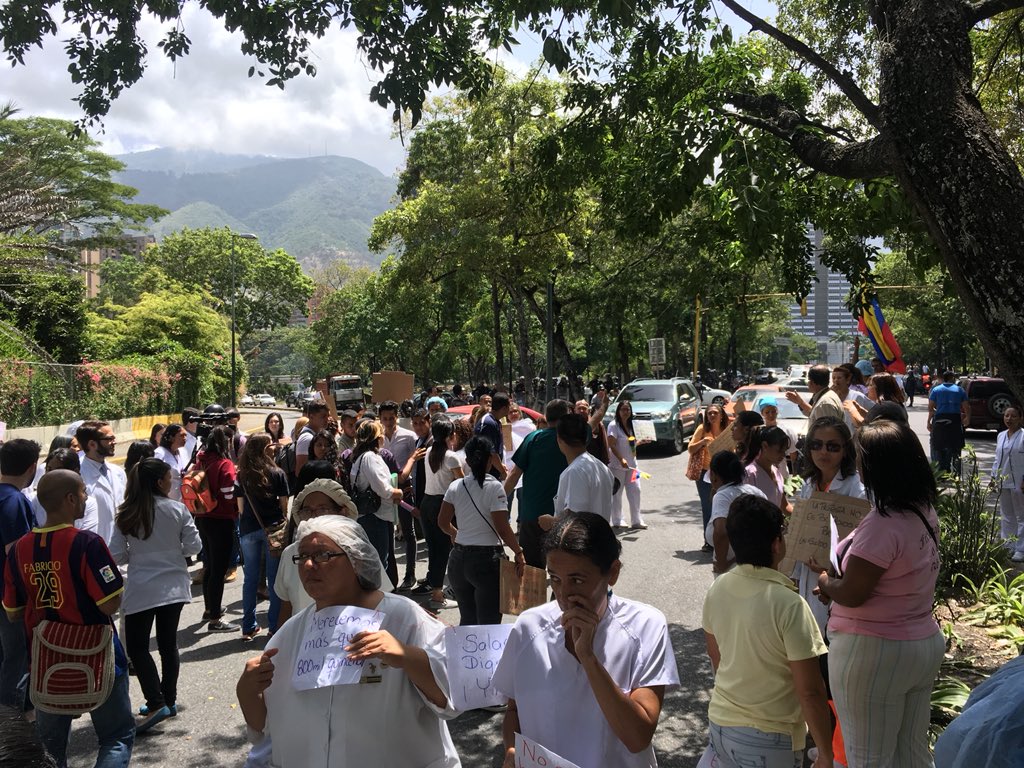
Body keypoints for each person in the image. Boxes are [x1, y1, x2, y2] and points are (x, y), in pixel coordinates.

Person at [236, 515, 461, 768]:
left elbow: (451, 697)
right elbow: (266, 727)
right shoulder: (288, 636)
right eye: (302, 556)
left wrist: (406, 656)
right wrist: (246, 691)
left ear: (356, 559)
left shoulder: (405, 618)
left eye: (323, 555)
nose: (309, 564)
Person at [492, 512, 680, 768]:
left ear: (612, 573)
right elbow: (514, 710)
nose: (564, 594)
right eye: (555, 579)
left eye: (577, 580)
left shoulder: (645, 626)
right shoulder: (529, 627)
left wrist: (589, 658)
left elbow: (638, 738)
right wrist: (512, 750)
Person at [810, 419, 944, 768]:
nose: (857, 466)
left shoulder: (884, 523)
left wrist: (826, 583)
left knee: (868, 757)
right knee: (911, 752)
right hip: (920, 642)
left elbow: (853, 592)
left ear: (877, 468)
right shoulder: (923, 511)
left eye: (861, 460)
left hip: (874, 653)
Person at [3, 470, 134, 768]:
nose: (86, 499)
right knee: (116, 736)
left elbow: (12, 610)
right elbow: (109, 603)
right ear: (70, 499)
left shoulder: (20, 550)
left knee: (49, 750)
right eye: (83, 493)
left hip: (45, 662)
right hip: (99, 656)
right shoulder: (88, 543)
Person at [702, 495, 833, 768]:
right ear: (777, 544)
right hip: (770, 737)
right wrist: (825, 753)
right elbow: (811, 691)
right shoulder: (789, 604)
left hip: (721, 724)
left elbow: (717, 659)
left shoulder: (717, 588)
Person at [110, 458, 202, 732]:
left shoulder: (126, 513)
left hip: (141, 587)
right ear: (160, 482)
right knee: (167, 643)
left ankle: (155, 699)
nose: (172, 482)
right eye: (168, 478)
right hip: (174, 585)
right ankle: (168, 700)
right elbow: (193, 546)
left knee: (138, 647)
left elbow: (118, 554)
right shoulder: (177, 509)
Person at [439, 436, 525, 625]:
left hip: (459, 559)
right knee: (489, 623)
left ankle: (465, 655)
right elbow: (502, 528)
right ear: (490, 460)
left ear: (467, 461)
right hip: (487, 561)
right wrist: (518, 552)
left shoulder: (455, 486)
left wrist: (455, 534)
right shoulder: (495, 487)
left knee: (467, 619)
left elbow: (443, 522)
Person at [792, 417, 866, 636]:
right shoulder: (808, 485)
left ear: (845, 450)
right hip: (807, 579)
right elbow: (799, 536)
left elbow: (861, 548)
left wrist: (830, 573)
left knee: (829, 645)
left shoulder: (856, 489)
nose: (823, 452)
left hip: (836, 583)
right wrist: (794, 577)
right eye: (816, 445)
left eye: (832, 446)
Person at [274, 479, 361, 627]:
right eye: (307, 510)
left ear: (342, 512)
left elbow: (377, 601)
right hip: (303, 643)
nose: (314, 516)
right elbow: (286, 606)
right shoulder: (290, 554)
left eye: (322, 509)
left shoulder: (357, 550)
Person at [504, 399, 571, 567]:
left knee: (532, 571)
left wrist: (496, 500)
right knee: (564, 570)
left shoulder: (533, 438)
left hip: (532, 515)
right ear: (566, 417)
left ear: (546, 417)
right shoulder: (571, 440)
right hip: (563, 516)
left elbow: (514, 475)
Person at [237, 434, 290, 641]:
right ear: (264, 449)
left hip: (249, 529)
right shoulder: (277, 473)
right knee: (274, 579)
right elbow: (284, 504)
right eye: (270, 445)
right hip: (274, 530)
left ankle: (248, 625)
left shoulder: (242, 475)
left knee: (250, 579)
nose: (274, 448)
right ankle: (274, 626)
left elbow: (240, 508)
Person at [0, 439, 39, 709]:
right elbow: (17, 555)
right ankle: (10, 724)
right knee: (16, 658)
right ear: (32, 467)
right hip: (9, 598)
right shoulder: (14, 501)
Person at [195, 425, 241, 632]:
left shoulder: (202, 460)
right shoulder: (225, 464)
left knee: (210, 566)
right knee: (219, 570)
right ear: (226, 442)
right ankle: (215, 620)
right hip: (222, 519)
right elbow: (229, 493)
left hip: (203, 517)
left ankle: (209, 608)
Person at [416, 417, 463, 606]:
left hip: (427, 503)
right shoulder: (451, 457)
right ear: (451, 435)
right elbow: (462, 483)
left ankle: (435, 589)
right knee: (444, 549)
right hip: (443, 504)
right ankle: (438, 593)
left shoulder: (429, 452)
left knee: (434, 548)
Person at [349, 420, 403, 570]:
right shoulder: (370, 458)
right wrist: (397, 492)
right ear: (377, 438)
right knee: (379, 563)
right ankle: (379, 593)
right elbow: (383, 489)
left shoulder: (360, 456)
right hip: (375, 517)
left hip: (371, 516)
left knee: (374, 561)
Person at [707, 450, 766, 576]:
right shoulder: (756, 491)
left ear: (713, 474)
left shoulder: (722, 496)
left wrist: (723, 562)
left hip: (733, 569)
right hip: (759, 563)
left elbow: (721, 532)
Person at [549, 413, 614, 524]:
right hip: (601, 536)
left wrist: (552, 523)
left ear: (559, 439)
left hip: (584, 540)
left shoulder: (575, 471)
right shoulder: (602, 467)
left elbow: (576, 520)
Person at [76, 420, 127, 543]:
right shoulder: (78, 475)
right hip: (92, 546)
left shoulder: (117, 472)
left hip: (119, 545)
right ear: (92, 444)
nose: (114, 442)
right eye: (109, 439)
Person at [688, 404, 730, 552]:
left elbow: (734, 450)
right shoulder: (702, 429)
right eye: (709, 414)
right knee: (708, 507)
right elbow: (690, 449)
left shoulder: (727, 430)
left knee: (723, 507)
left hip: (724, 474)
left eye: (715, 413)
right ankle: (708, 541)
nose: (712, 416)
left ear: (721, 415)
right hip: (705, 474)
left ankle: (723, 539)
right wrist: (702, 442)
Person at [607, 399, 647, 530]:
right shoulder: (613, 425)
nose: (626, 412)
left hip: (632, 465)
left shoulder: (632, 426)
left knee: (636, 490)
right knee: (617, 493)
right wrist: (621, 459)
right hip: (617, 466)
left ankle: (637, 520)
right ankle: (618, 520)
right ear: (618, 411)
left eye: (628, 409)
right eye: (623, 409)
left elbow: (631, 445)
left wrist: (641, 442)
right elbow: (611, 444)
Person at [991, 404, 1024, 563]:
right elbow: (998, 459)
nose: (1009, 419)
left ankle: (1021, 548)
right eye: (1006, 416)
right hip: (1003, 481)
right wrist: (993, 477)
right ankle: (1008, 545)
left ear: (1021, 418)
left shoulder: (1023, 436)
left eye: (1013, 416)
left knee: (1021, 516)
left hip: (1020, 482)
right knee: (1006, 515)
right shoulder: (1001, 435)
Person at [742, 425, 791, 513]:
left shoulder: (776, 472)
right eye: (779, 451)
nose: (783, 455)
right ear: (765, 446)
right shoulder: (749, 474)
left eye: (785, 451)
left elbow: (784, 505)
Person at [928, 370, 969, 473]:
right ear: (952, 378)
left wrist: (929, 421)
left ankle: (939, 471)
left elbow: (930, 408)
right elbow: (966, 406)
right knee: (956, 446)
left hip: (939, 419)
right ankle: (956, 473)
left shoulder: (936, 390)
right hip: (955, 419)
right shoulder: (959, 390)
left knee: (937, 445)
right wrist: (967, 417)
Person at [475, 392, 510, 479]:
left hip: (492, 471)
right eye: (509, 406)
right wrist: (502, 471)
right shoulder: (489, 423)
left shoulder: (495, 421)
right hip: (486, 474)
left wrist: (500, 465)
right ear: (504, 408)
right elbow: (491, 452)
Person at [294, 401, 328, 476]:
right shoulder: (307, 439)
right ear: (311, 417)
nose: (327, 419)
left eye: (327, 416)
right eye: (323, 416)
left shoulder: (317, 434)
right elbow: (300, 471)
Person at [154, 424, 187, 501]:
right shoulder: (159, 453)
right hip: (166, 502)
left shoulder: (182, 451)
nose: (185, 438)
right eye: (182, 435)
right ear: (171, 438)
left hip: (183, 501)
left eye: (186, 435)